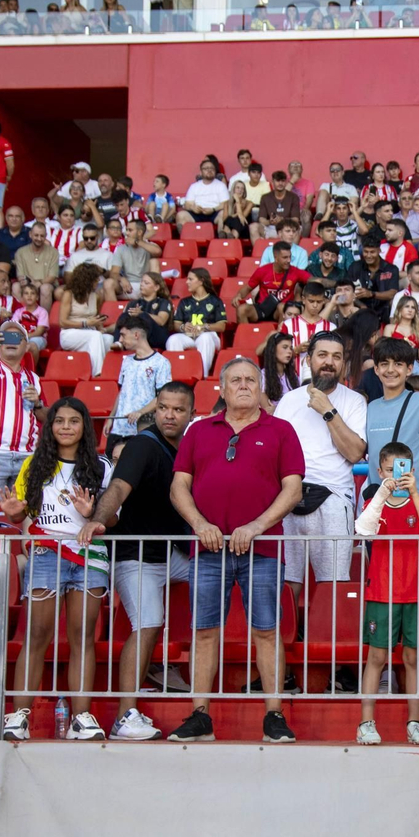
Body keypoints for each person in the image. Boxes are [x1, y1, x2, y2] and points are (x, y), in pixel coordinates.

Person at [167, 357, 303, 744]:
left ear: (260, 389)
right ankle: (199, 716)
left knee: (267, 630)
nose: (244, 386)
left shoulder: (280, 430)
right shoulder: (198, 430)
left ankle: (274, 714)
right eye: (235, 380)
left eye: (250, 380)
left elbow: (292, 489)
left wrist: (258, 526)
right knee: (204, 631)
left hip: (262, 548)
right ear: (222, 389)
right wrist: (200, 524)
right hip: (208, 548)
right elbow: (179, 487)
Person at [72, 382, 196, 741]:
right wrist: (98, 517)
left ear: (190, 413)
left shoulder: (186, 446)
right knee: (147, 623)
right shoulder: (143, 445)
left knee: (224, 575)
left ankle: (178, 676)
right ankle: (126, 714)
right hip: (137, 554)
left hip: (175, 553)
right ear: (154, 409)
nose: (169, 415)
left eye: (178, 409)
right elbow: (118, 488)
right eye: (163, 408)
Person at [0, 397, 112, 741]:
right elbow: (22, 513)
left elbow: (114, 517)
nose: (65, 427)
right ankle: (18, 717)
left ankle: (81, 718)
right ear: (50, 427)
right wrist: (14, 512)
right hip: (46, 554)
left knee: (83, 637)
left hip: (88, 556)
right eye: (59, 421)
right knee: (37, 636)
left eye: (73, 421)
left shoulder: (101, 466)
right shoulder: (34, 465)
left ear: (84, 427)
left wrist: (92, 513)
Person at [275, 332, 368, 606]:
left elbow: (354, 452)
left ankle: (331, 645)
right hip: (288, 497)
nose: (329, 362)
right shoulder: (289, 400)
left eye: (336, 357)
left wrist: (328, 411)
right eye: (323, 355)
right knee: (286, 582)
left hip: (333, 496)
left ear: (343, 364)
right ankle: (285, 643)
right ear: (309, 359)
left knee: (334, 585)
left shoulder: (353, 401)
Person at [353, 441, 419, 746]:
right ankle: (365, 722)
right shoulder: (375, 503)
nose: (396, 475)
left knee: (412, 657)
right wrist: (381, 493)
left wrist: (413, 492)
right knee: (377, 656)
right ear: (380, 471)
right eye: (390, 470)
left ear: (412, 471)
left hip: (416, 591)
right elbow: (363, 529)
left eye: (402, 470)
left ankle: (414, 722)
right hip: (382, 591)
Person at [363, 336, 419, 491]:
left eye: (398, 364)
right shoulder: (371, 407)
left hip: (414, 499)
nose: (391, 370)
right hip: (378, 499)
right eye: (384, 364)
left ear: (409, 369)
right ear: (376, 369)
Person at [0, 321, 42, 500]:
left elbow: (44, 416)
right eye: (5, 337)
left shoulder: (33, 378)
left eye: (17, 337)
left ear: (26, 346)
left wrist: (38, 403)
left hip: (27, 455)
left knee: (25, 512)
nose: (11, 341)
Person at [106, 316, 171, 456]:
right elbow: (122, 392)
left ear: (136, 334)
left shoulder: (161, 363)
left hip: (141, 428)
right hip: (118, 428)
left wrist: (140, 412)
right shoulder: (126, 361)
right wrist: (111, 418)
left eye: (123, 335)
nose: (120, 340)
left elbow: (163, 397)